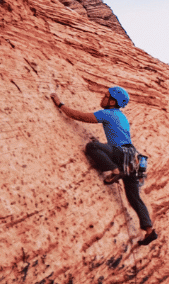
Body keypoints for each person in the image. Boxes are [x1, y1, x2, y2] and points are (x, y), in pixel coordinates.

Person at [52, 86, 158, 246]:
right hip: (134, 157)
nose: (103, 97)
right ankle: (149, 230)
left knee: (92, 147)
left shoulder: (107, 113)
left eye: (106, 95)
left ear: (112, 101)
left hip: (120, 153)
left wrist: (60, 105)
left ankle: (116, 170)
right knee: (134, 198)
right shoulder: (122, 117)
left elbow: (80, 116)